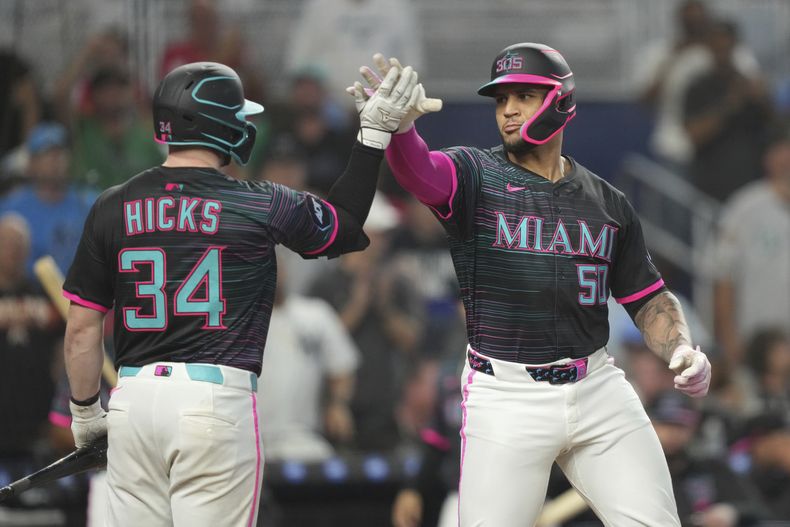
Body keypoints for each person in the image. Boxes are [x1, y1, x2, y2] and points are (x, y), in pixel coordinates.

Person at [355, 44, 712, 525]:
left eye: (524, 95)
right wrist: (401, 131)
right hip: (506, 396)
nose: (509, 111)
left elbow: (646, 296)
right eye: (501, 100)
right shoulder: (474, 173)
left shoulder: (608, 202)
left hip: (598, 386)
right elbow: (421, 173)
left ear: (561, 101)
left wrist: (681, 350)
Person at [61, 60, 420, 526]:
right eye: (239, 116)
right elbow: (345, 228)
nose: (245, 125)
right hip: (214, 403)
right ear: (217, 122)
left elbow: (81, 329)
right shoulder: (257, 201)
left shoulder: (112, 203)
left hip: (133, 399)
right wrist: (372, 135)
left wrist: (86, 416)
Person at [0, 122, 97, 276]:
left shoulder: (89, 203)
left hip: (81, 294)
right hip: (28, 294)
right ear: (31, 163)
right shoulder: (10, 208)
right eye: (46, 155)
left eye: (59, 154)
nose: (54, 161)